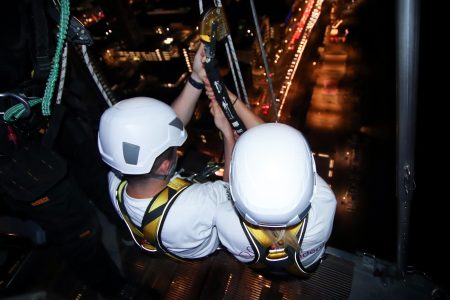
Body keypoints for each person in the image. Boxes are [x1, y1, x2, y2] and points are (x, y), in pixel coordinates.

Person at [97, 44, 229, 260]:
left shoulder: (115, 181)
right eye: (174, 150)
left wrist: (196, 78)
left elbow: (168, 127)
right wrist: (228, 135)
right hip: (208, 245)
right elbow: (231, 189)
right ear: (165, 166)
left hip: (170, 231)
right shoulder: (195, 204)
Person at [207, 89, 337, 278]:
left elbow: (228, 187)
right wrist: (231, 98)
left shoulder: (226, 222)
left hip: (259, 265)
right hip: (304, 267)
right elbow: (276, 141)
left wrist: (228, 136)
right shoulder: (324, 206)